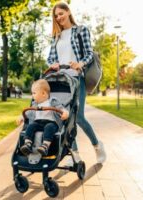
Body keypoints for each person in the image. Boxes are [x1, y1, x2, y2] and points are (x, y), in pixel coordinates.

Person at [47, 2, 106, 164]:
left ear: (68, 11)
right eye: (56, 16)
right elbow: (50, 58)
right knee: (65, 118)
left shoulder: (81, 30)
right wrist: (53, 64)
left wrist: (80, 63)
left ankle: (97, 145)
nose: (59, 18)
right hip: (61, 80)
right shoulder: (56, 36)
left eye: (61, 13)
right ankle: (74, 155)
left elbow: (88, 53)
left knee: (78, 117)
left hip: (77, 78)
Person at [17, 79, 69, 156]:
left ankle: (45, 146)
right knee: (31, 126)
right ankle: (27, 144)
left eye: (34, 93)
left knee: (49, 127)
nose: (32, 95)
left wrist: (65, 113)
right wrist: (21, 117)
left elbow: (61, 108)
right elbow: (28, 112)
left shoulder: (52, 101)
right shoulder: (35, 104)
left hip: (51, 122)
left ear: (43, 93)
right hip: (38, 122)